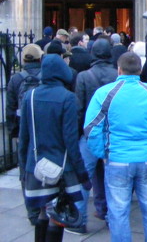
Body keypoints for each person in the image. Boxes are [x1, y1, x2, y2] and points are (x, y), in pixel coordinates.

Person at [85, 52, 147, 242]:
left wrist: (103, 153)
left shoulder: (105, 93)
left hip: (117, 160)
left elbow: (91, 129)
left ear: (119, 69)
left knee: (118, 212)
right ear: (140, 70)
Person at [18, 54, 91, 242]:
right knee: (57, 215)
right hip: (61, 168)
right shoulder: (68, 98)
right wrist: (82, 174)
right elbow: (70, 140)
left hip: (35, 166)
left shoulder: (29, 96)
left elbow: (24, 138)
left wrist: (22, 171)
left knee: (43, 213)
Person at [70, 38, 118, 235]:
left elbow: (79, 109)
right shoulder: (118, 75)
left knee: (83, 177)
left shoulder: (83, 77)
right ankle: (110, 217)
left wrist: (79, 134)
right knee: (111, 179)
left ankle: (79, 220)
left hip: (90, 134)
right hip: (112, 134)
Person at [6, 44, 43, 225]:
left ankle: (32, 210)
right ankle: (46, 205)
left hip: (24, 130)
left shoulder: (16, 79)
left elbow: (11, 108)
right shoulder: (46, 76)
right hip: (43, 129)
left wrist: (14, 130)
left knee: (25, 170)